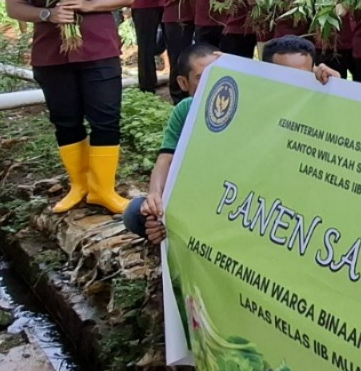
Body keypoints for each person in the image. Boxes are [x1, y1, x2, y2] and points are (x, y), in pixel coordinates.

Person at [125, 40, 340, 243]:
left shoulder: (316, 109)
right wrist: (157, 201)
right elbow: (167, 158)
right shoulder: (221, 105)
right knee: (137, 212)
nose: (215, 80)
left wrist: (338, 92)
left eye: (301, 77)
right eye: (204, 76)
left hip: (272, 209)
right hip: (220, 200)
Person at [4, 0, 134, 215]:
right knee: (65, 120)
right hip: (53, 54)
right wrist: (48, 13)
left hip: (99, 50)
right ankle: (80, 185)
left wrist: (88, 5)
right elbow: (13, 6)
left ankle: (104, 190)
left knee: (105, 119)